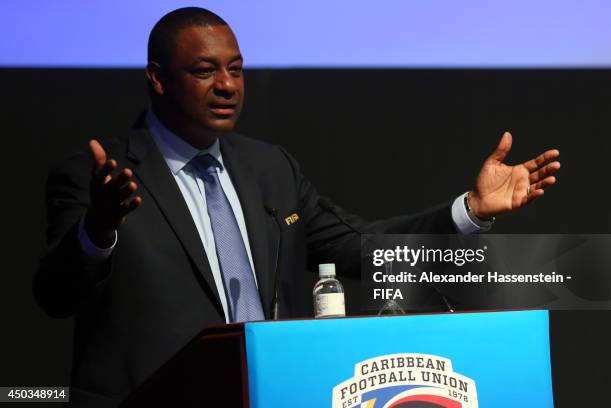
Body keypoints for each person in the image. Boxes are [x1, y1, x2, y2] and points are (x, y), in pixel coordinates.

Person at [33, 7, 560, 407]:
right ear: (157, 77)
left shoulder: (270, 168)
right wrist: (98, 229)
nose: (227, 86)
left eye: (236, 70)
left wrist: (469, 210)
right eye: (204, 71)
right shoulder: (98, 175)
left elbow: (359, 246)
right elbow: (55, 294)